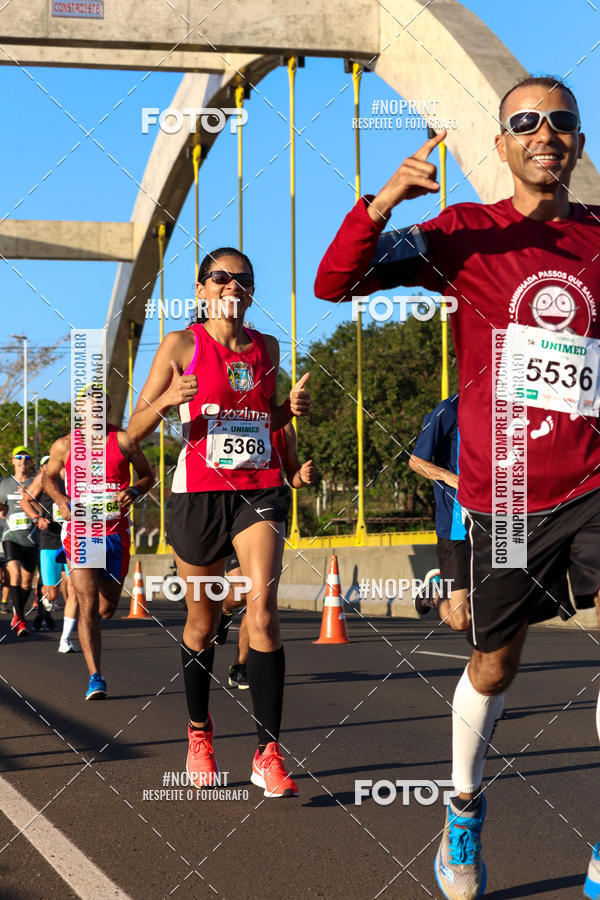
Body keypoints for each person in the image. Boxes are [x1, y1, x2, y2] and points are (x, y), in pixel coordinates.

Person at [315, 75, 600, 899]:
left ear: (578, 142)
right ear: (503, 146)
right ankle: (464, 809)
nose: (545, 132)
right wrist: (381, 205)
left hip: (592, 479)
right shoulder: (461, 235)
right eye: (525, 122)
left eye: (562, 122)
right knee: (493, 664)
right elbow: (337, 284)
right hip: (505, 495)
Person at [127, 247, 311, 797]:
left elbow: (268, 418)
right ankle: (200, 733)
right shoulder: (180, 345)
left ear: (252, 291)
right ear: (201, 289)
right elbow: (132, 430)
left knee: (264, 614)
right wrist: (166, 399)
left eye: (243, 280)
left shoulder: (268, 347)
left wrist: (291, 436)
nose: (232, 286)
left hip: (258, 489)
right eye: (220, 278)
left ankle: (267, 752)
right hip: (198, 494)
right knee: (203, 624)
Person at [44, 391, 153, 699]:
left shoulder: (123, 440)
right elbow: (49, 477)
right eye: (88, 410)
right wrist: (61, 501)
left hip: (116, 532)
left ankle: (87, 590)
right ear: (79, 413)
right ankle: (96, 677)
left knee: (106, 608)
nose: (94, 416)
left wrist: (134, 489)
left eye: (100, 409)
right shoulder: (64, 445)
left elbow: (148, 475)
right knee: (88, 604)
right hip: (82, 532)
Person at [215, 422, 319, 690]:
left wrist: (302, 476)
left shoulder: (284, 427)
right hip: (227, 509)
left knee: (256, 597)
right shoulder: (228, 415)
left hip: (265, 509)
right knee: (237, 592)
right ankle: (224, 612)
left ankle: (241, 665)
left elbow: (292, 474)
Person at [409, 394, 470, 631]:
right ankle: (435, 592)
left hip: (498, 518)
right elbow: (416, 461)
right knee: (461, 620)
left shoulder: (504, 409)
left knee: (506, 603)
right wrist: (450, 477)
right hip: (457, 524)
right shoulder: (449, 410)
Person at [20, 454, 79, 651]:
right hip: (51, 538)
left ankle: (65, 638)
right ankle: (46, 601)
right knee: (52, 594)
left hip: (73, 537)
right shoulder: (45, 476)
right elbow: (25, 501)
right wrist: (37, 518)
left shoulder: (78, 474)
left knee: (74, 588)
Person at [0, 446, 38, 637]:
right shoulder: (4, 484)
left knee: (26, 583)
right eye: (19, 457)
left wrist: (29, 497)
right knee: (13, 574)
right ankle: (21, 620)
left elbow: (43, 509)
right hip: (11, 536)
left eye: (26, 458)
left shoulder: (35, 482)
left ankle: (18, 615)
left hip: (31, 538)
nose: (23, 461)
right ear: (13, 460)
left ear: (30, 462)